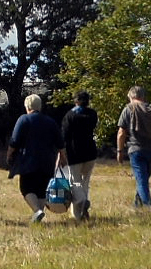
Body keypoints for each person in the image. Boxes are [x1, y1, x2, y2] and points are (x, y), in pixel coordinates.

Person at [7, 94, 67, 224]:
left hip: (28, 161)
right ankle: (38, 216)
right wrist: (63, 157)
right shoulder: (50, 121)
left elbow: (14, 141)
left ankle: (37, 211)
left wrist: (9, 154)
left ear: (27, 106)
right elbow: (60, 143)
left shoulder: (23, 120)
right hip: (47, 161)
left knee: (26, 188)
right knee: (41, 190)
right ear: (40, 106)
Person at [117, 85, 151, 209]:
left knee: (141, 181)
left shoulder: (129, 109)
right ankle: (137, 205)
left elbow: (121, 133)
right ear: (143, 97)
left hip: (136, 149)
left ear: (131, 96)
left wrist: (119, 151)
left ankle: (148, 207)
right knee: (143, 180)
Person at [61, 91, 97, 220]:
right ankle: (80, 213)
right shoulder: (92, 114)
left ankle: (81, 202)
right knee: (85, 182)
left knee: (75, 182)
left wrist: (61, 153)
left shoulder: (70, 115)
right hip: (90, 152)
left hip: (75, 153)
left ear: (75, 100)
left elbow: (64, 136)